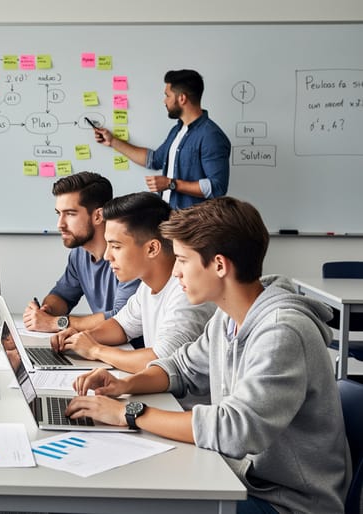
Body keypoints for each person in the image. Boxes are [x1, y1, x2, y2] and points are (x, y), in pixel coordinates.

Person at [65, 197, 350, 514]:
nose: (175, 273)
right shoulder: (228, 318)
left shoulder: (282, 333)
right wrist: (125, 384)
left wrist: (128, 413)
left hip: (285, 500)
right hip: (240, 477)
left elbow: (236, 429)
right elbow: (182, 367)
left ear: (218, 265)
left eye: (183, 260)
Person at [50, 192, 215, 377]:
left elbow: (159, 360)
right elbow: (121, 326)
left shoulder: (187, 292)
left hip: (178, 403)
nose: (107, 256)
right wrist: (82, 338)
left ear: (152, 248)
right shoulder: (147, 285)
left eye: (116, 246)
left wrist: (95, 350)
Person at [92, 69, 230, 209]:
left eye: (167, 95)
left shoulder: (211, 136)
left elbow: (217, 187)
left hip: (191, 225)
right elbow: (154, 160)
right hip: (169, 216)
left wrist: (172, 183)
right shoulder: (177, 131)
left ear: (182, 98)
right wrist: (113, 141)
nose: (164, 101)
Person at [23, 172, 139, 334]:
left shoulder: (129, 253)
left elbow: (121, 317)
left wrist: (55, 323)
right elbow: (62, 296)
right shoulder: (79, 254)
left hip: (132, 350)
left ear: (98, 215)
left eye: (70, 214)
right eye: (59, 213)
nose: (60, 224)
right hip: (102, 345)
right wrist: (46, 311)